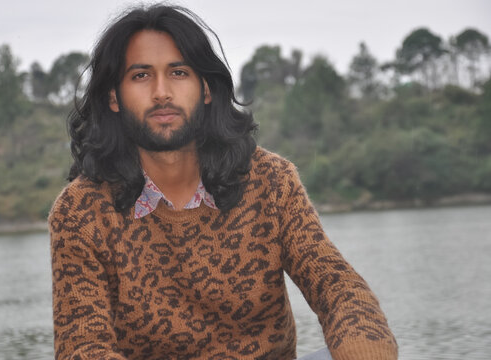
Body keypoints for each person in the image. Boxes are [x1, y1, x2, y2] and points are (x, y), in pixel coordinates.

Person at [48, 4, 398, 360]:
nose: (161, 92)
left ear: (206, 89)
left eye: (179, 72)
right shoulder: (80, 212)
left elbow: (337, 287)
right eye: (140, 76)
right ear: (113, 97)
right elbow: (83, 346)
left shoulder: (269, 181)